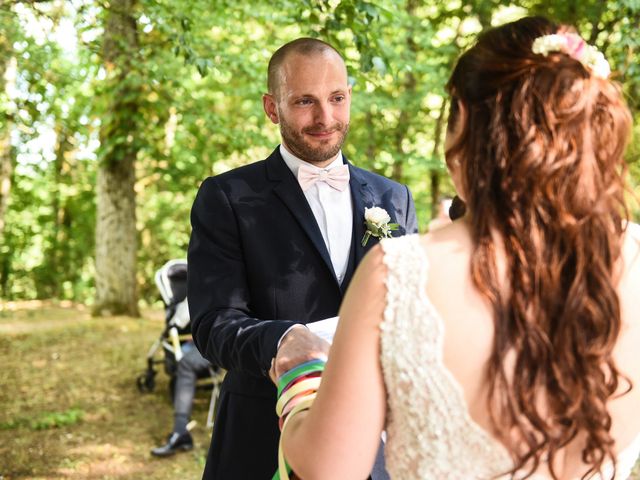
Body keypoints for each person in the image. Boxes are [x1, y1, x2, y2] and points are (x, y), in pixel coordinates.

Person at [276, 16, 640, 480]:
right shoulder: (636, 253)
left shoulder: (399, 273)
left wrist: (300, 378)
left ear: (464, 123)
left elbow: (328, 468)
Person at [187, 37, 418, 479]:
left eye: (336, 99)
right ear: (272, 108)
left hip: (375, 445)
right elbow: (212, 323)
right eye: (304, 102)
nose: (325, 118)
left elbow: (411, 311)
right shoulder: (228, 197)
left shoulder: (394, 197)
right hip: (262, 439)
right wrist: (279, 340)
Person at [151, 341, 212, 457]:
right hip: (203, 339)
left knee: (185, 363)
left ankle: (180, 431)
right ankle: (181, 431)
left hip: (222, 342)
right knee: (176, 357)